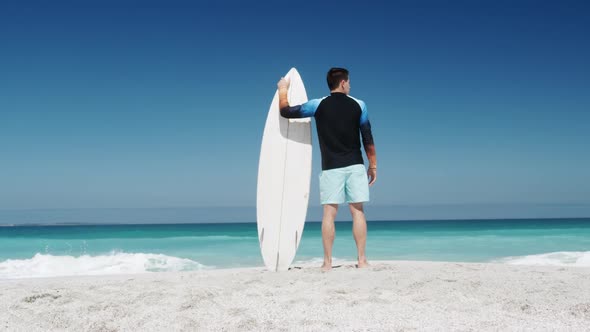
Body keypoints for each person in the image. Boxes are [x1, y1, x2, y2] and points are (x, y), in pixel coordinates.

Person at [277, 67, 377, 271]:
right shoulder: (360, 105)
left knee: (329, 214)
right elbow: (367, 137)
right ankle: (362, 260)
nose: (349, 85)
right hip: (355, 165)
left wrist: (283, 90)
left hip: (331, 167)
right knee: (357, 211)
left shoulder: (317, 105)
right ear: (343, 83)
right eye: (348, 82)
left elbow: (286, 112)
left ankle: (327, 263)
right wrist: (372, 164)